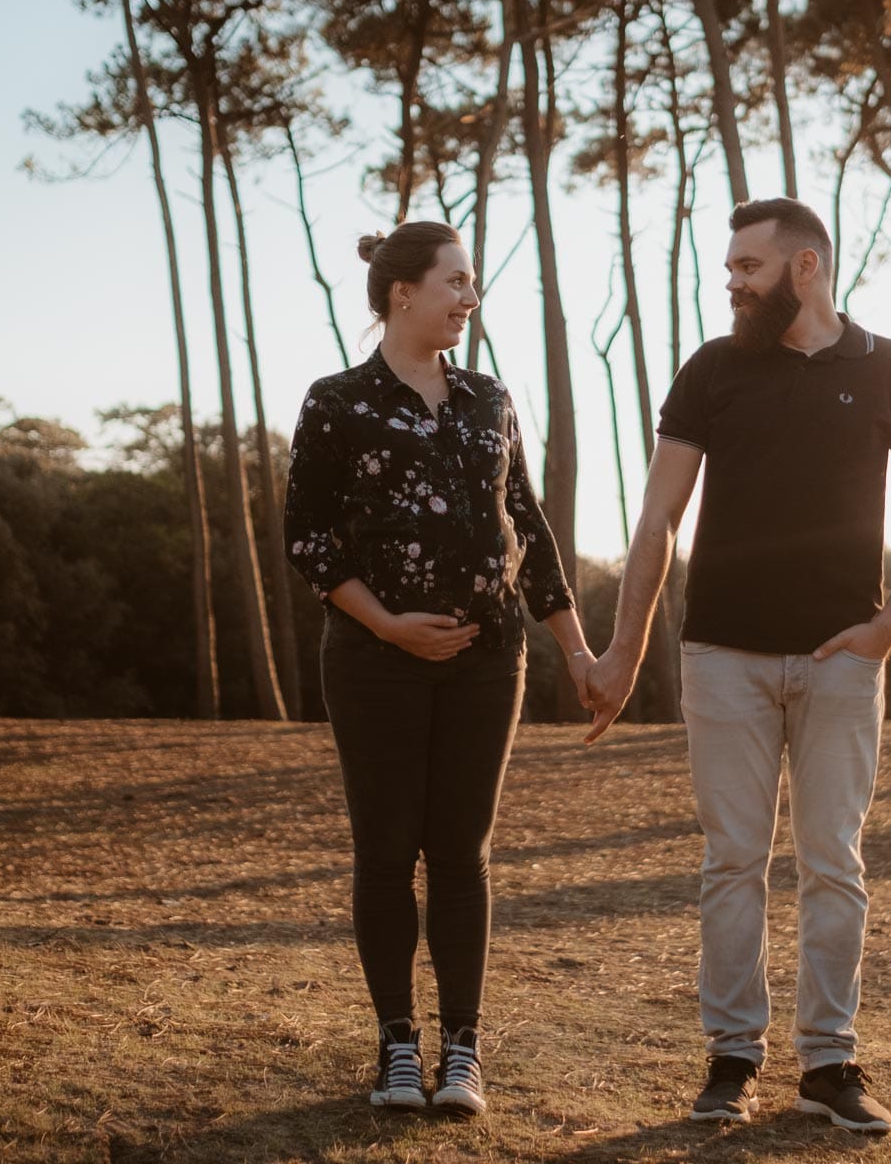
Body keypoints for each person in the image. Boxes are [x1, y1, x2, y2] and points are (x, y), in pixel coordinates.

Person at [581, 198, 891, 1135]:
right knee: (732, 863)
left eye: (749, 266)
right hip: (722, 659)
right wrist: (626, 650)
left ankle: (829, 1066)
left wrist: (888, 629)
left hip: (840, 662)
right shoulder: (713, 368)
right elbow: (658, 519)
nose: (733, 282)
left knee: (834, 863)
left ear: (806, 267)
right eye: (730, 267)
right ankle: (731, 1061)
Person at [282, 221, 593, 1117]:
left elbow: (527, 531)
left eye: (474, 284)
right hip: (373, 664)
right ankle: (395, 1048)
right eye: (455, 282)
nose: (469, 298)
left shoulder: (489, 399)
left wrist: (575, 649)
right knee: (385, 855)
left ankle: (463, 1049)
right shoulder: (336, 401)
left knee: (462, 854)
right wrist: (386, 624)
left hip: (488, 664)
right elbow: (306, 535)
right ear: (400, 293)